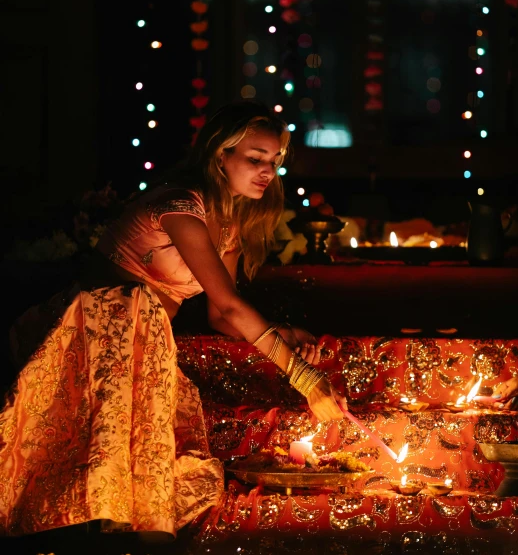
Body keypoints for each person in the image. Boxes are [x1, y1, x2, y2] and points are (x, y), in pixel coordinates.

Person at [0, 102, 346, 541]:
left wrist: (286, 335)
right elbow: (229, 305)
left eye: (274, 161)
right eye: (255, 158)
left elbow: (223, 315)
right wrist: (303, 376)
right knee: (111, 489)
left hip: (146, 343)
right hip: (99, 332)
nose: (267, 171)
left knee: (151, 488)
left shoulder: (230, 224)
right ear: (220, 155)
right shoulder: (180, 204)